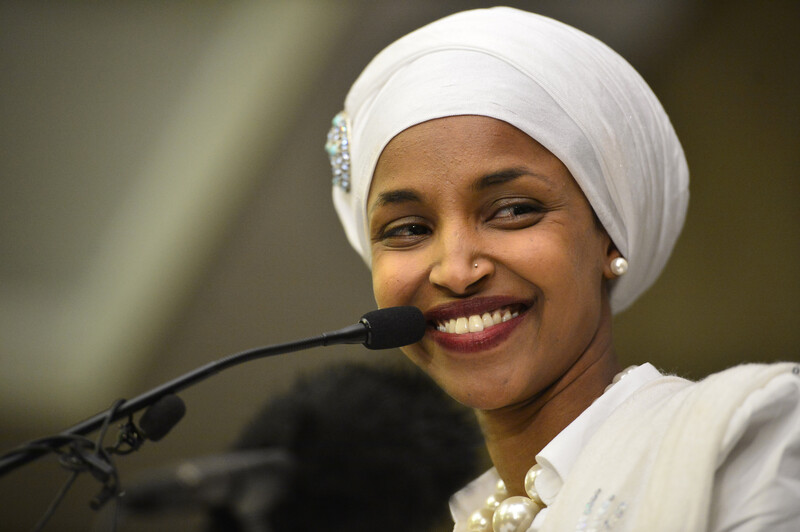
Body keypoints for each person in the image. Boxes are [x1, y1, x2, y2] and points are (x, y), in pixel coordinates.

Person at [325, 7, 800, 532]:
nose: (457, 271)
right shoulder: (466, 518)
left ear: (609, 237)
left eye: (513, 210)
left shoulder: (745, 445)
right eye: (409, 229)